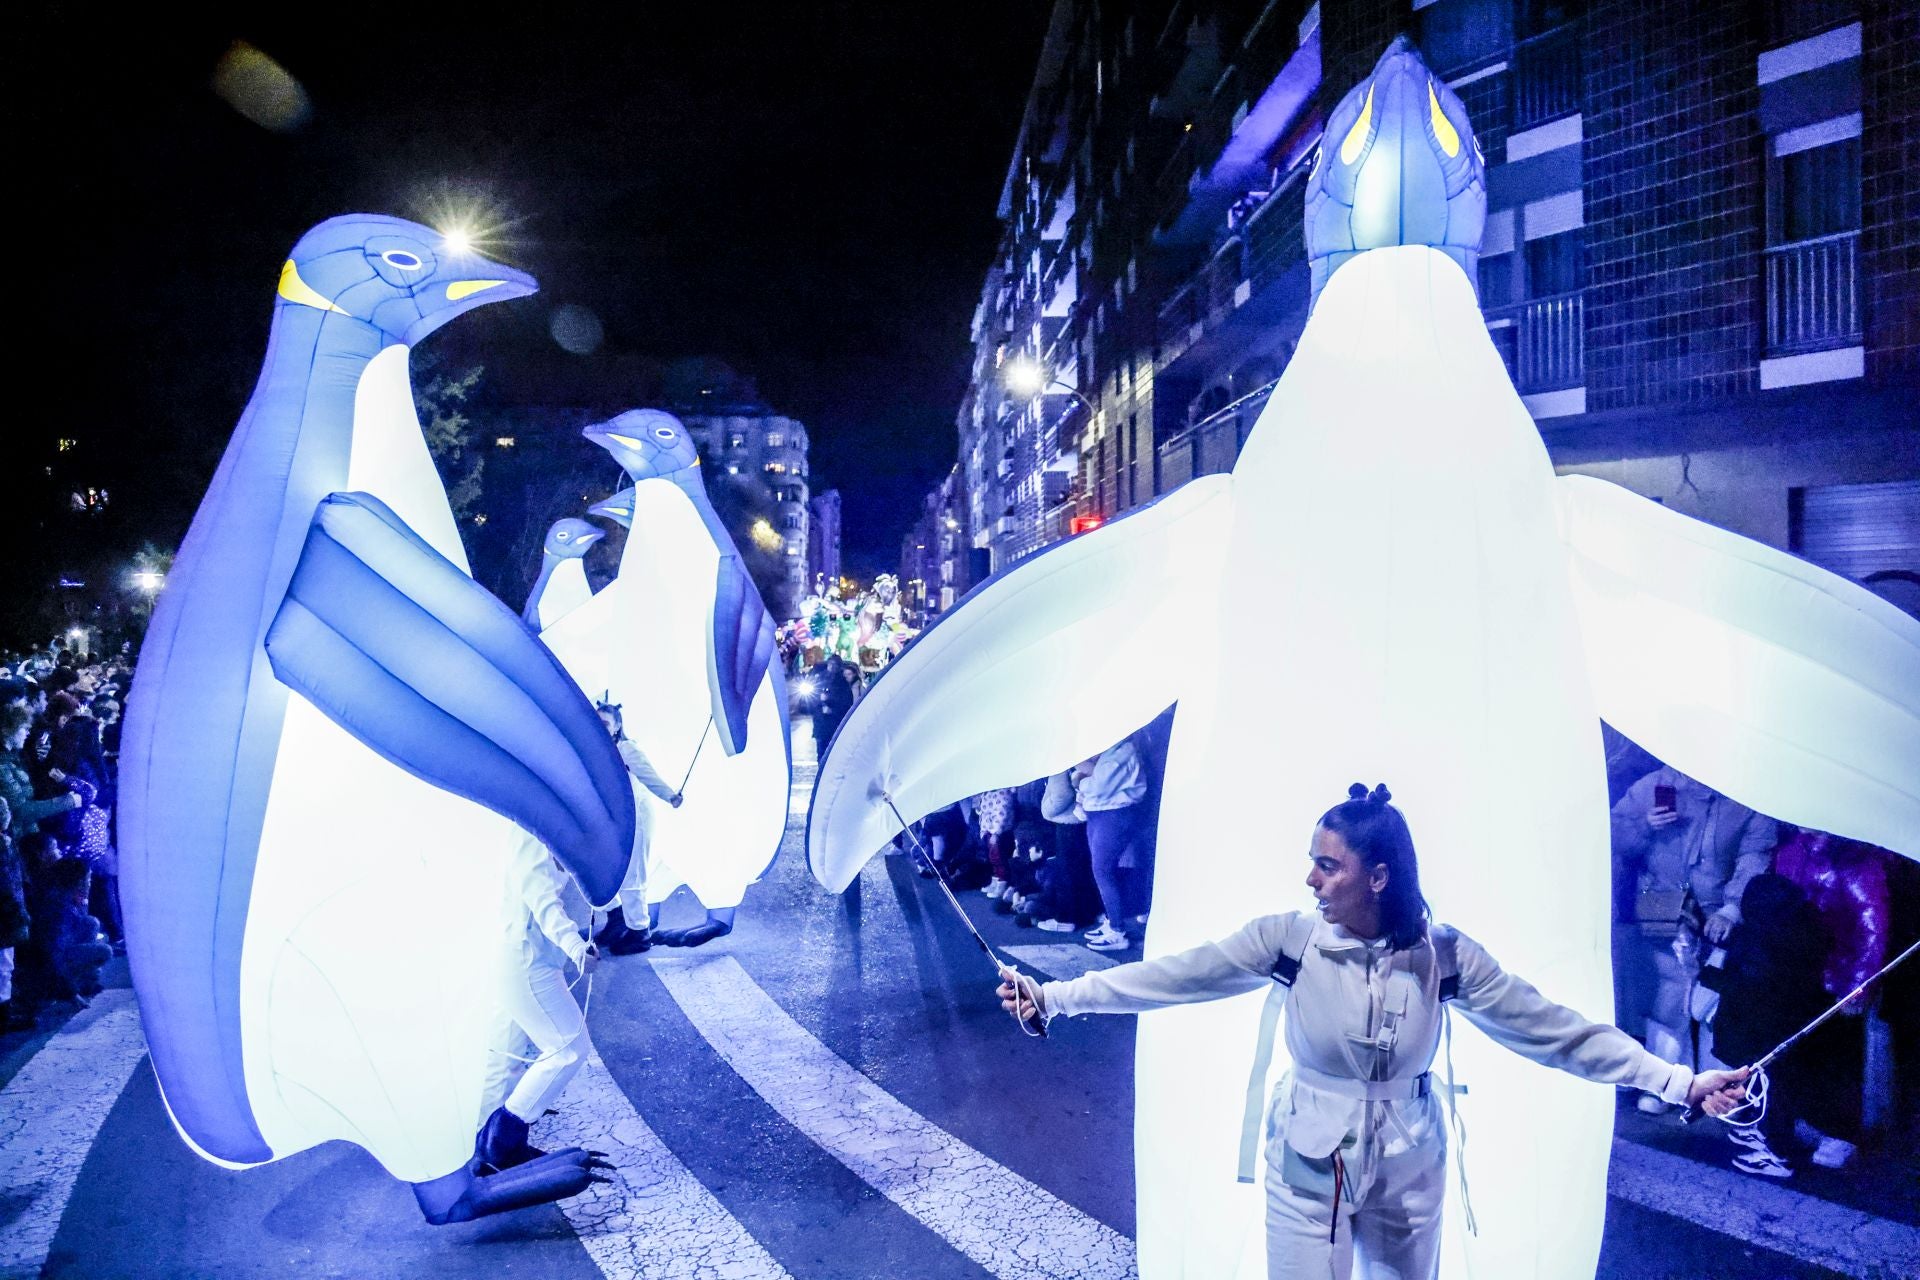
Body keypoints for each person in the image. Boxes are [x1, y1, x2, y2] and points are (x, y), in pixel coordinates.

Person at [998, 784, 1749, 1280]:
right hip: (1306, 1165)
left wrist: (1680, 1081)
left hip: (1410, 1170)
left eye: (1328, 866)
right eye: (1311, 864)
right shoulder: (1286, 940)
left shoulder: (1446, 956)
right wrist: (1055, 997)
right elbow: (1171, 976)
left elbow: (1559, 1032)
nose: (1311, 880)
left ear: (1378, 875)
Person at [1610, 765, 1775, 1100]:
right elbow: (1611, 831)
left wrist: (1733, 907)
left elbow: (1755, 855)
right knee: (1666, 995)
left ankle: (1717, 1089)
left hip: (1721, 906)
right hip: (1658, 897)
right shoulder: (1657, 783)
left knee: (1717, 998)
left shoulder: (1749, 793)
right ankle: (1662, 1086)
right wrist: (1644, 825)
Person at [477, 831, 601, 1174]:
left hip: (515, 952)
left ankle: (479, 1143)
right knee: (569, 1046)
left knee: (503, 1055)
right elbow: (543, 903)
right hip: (526, 958)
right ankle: (503, 1140)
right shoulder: (527, 834)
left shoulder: (532, 829)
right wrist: (576, 948)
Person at [592, 702, 681, 956]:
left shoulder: (626, 749)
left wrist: (671, 796)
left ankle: (640, 932)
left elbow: (648, 775)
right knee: (606, 871)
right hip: (612, 820)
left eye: (606, 723)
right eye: (597, 723)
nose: (601, 728)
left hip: (636, 818)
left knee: (632, 874)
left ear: (618, 725)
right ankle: (617, 918)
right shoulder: (598, 752)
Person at [1076, 737, 1151, 952]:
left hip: (1114, 814)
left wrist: (1082, 778)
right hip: (1102, 813)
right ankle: (1112, 922)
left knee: (1103, 870)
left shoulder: (1123, 750)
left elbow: (1099, 786)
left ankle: (1117, 931)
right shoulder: (1112, 749)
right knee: (1101, 870)